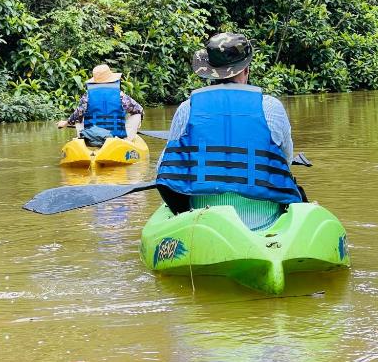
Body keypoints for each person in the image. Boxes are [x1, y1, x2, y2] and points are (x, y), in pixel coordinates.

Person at [156, 33, 302, 228]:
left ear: (208, 73)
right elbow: (285, 160)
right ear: (246, 70)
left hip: (204, 223)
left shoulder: (187, 108)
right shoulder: (271, 107)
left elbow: (164, 169)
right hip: (265, 223)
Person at [57, 64, 144, 140]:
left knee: (79, 116)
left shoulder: (87, 96)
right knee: (137, 114)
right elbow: (139, 110)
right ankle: (126, 140)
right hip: (116, 136)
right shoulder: (120, 95)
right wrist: (136, 126)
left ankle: (82, 138)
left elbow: (77, 115)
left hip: (92, 135)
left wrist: (66, 123)